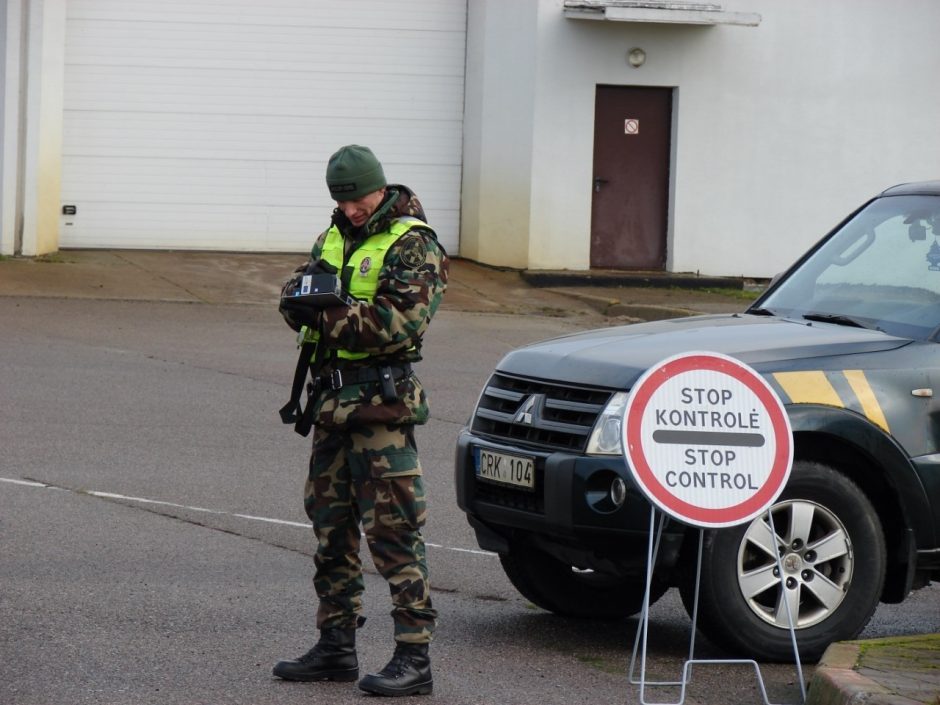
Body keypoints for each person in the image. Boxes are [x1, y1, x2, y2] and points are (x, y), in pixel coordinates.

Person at [273, 145, 447, 697]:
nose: (348, 209)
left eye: (356, 198)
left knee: (393, 530)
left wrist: (323, 316)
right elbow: (297, 290)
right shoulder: (334, 235)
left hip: (381, 409)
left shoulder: (414, 243)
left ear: (380, 189)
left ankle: (414, 657)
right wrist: (298, 304)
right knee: (330, 527)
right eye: (340, 200)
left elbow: (398, 322)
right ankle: (335, 644)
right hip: (332, 405)